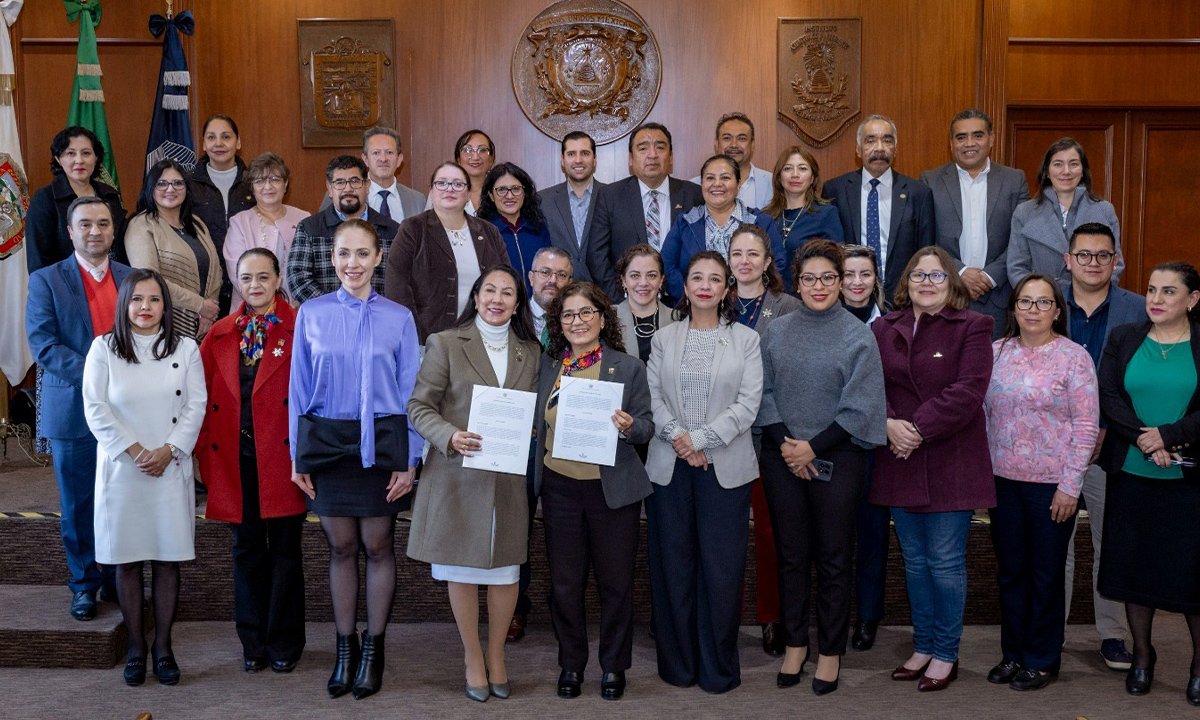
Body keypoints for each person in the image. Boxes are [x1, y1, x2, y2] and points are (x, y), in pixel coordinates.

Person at [288, 220, 422, 700]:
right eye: (344, 254)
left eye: (363, 254)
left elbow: (413, 394)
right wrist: (296, 455)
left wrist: (411, 460)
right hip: (327, 442)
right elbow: (298, 389)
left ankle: (374, 648)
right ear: (331, 258)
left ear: (378, 258)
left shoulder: (399, 317)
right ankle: (345, 648)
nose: (353, 264)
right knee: (341, 546)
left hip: (384, 442)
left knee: (378, 543)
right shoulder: (312, 312)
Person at [757, 239, 887, 695]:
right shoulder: (776, 331)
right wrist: (790, 448)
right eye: (809, 278)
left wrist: (811, 448)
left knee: (833, 559)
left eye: (828, 278)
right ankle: (796, 644)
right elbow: (763, 392)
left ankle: (829, 652)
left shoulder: (858, 335)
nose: (818, 286)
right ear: (797, 282)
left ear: (842, 283)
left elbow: (861, 406)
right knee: (791, 556)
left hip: (839, 457)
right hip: (781, 457)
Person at [406, 264, 540, 703]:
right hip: (457, 475)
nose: (497, 299)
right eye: (489, 291)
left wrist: (536, 429)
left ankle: (497, 654)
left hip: (505, 479)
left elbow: (539, 410)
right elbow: (419, 407)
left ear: (518, 303)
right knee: (461, 569)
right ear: (476, 296)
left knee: (505, 572)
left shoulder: (531, 351)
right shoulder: (445, 343)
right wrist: (450, 436)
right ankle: (472, 657)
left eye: (507, 293)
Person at [870, 246, 995, 692]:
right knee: (915, 563)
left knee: (944, 563)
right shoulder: (883, 327)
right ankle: (922, 645)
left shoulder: (975, 326)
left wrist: (914, 430)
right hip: (897, 458)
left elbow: (969, 391)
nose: (926, 282)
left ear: (951, 284)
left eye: (937, 275)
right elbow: (870, 384)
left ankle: (946, 652)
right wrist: (887, 424)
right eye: (918, 274)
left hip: (950, 461)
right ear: (906, 282)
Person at [81, 268, 206, 687]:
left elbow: (196, 406)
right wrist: (137, 452)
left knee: (168, 560)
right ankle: (136, 645)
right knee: (129, 560)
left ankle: (164, 646)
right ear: (124, 304)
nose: (146, 308)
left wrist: (167, 450)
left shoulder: (186, 347)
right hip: (124, 469)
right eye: (137, 299)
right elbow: (96, 408)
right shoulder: (104, 348)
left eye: (154, 300)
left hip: (169, 466)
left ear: (165, 306)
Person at [646, 251, 763, 693]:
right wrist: (680, 437)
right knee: (673, 567)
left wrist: (700, 440)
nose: (706, 285)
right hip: (669, 467)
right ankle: (678, 665)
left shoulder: (746, 339)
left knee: (721, 569)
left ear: (727, 288)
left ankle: (717, 669)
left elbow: (748, 405)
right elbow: (653, 396)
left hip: (724, 468)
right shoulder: (664, 338)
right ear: (684, 286)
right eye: (697, 277)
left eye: (716, 278)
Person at [532, 281, 653, 701]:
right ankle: (571, 664)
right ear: (558, 323)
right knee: (565, 584)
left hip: (611, 489)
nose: (577, 321)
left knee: (615, 583)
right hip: (559, 487)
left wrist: (628, 428)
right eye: (568, 314)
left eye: (586, 313)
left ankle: (614, 667)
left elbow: (646, 426)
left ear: (603, 318)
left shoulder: (627, 366)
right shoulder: (548, 366)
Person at [984, 274, 1098, 691]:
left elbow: (1086, 425)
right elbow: (981, 415)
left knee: (1045, 573)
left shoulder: (1074, 358)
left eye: (1042, 302)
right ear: (1013, 308)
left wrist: (1070, 485)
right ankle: (1013, 654)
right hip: (1002, 482)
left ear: (1057, 310)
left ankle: (1043, 658)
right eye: (1025, 302)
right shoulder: (995, 353)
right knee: (1011, 572)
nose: (1033, 310)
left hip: (1052, 487)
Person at [197, 248, 307, 674]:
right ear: (237, 283)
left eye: (264, 276)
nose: (255, 285)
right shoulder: (221, 333)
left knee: (284, 550)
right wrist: (204, 454)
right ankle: (252, 641)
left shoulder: (300, 329)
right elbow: (200, 396)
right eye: (247, 278)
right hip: (234, 456)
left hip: (282, 457)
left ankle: (284, 641)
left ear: (278, 279)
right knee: (245, 550)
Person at [1096, 261, 1200, 706]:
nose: (1156, 299)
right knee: (1134, 569)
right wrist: (1145, 437)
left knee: (1192, 575)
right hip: (1132, 474)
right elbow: (1108, 395)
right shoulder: (1124, 337)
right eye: (1152, 290)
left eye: (1169, 292)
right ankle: (1142, 655)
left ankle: (1199, 664)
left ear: (1192, 300)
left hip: (1188, 481)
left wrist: (1169, 435)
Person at [25, 196, 131, 621]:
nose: (94, 231)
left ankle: (114, 577)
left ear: (113, 230)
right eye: (85, 224)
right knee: (78, 502)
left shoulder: (131, 278)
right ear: (70, 231)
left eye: (103, 223)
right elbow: (44, 345)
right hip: (72, 407)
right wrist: (99, 372)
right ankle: (84, 583)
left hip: (128, 408)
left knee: (121, 498)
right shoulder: (46, 280)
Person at [1060, 222, 1143, 670]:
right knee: (1057, 544)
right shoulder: (1046, 302)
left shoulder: (1137, 308)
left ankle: (1111, 633)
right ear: (1067, 259)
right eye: (1084, 254)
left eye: (1103, 255)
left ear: (1115, 261)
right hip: (1055, 445)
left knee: (1111, 542)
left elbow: (1143, 377)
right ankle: (1050, 630)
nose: (1093, 263)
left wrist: (1108, 426)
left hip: (1115, 443)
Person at [728, 224, 800, 657]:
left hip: (772, 435)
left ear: (768, 261)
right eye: (737, 253)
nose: (745, 261)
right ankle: (725, 617)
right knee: (727, 536)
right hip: (725, 437)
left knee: (773, 536)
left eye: (754, 253)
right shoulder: (714, 300)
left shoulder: (789, 306)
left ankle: (773, 618)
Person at [510, 245, 574, 643]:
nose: (553, 281)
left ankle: (564, 611)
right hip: (518, 442)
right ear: (530, 276)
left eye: (562, 275)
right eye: (545, 272)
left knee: (564, 532)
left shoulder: (581, 320)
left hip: (566, 441)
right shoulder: (509, 317)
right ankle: (515, 608)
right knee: (517, 529)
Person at [920, 109, 1029, 336]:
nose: (969, 143)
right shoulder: (930, 181)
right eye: (961, 137)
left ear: (991, 139)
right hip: (946, 294)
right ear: (951, 143)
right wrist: (960, 271)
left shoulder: (1014, 180)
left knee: (996, 368)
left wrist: (989, 276)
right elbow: (926, 240)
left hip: (998, 298)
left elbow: (1021, 239)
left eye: (978, 135)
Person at [385, 161, 508, 343]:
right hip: (427, 339)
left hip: (481, 338)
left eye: (458, 184)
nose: (449, 189)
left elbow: (507, 281)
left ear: (468, 194)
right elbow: (397, 287)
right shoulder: (413, 229)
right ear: (432, 191)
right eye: (441, 183)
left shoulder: (489, 232)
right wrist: (414, 335)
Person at [586, 122, 703, 300]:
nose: (652, 155)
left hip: (684, 303)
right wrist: (620, 301)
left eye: (660, 147)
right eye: (643, 148)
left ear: (671, 157)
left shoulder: (693, 194)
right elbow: (597, 256)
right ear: (631, 159)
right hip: (628, 302)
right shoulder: (610, 196)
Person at [823, 114, 935, 299]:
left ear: (895, 149)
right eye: (870, 140)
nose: (880, 148)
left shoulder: (919, 193)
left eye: (887, 140)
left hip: (902, 299)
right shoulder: (835, 190)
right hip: (849, 298)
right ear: (858, 150)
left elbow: (926, 253)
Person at [840, 244, 888, 650]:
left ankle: (868, 616)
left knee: (872, 536)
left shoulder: (890, 327)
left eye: (865, 275)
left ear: (876, 280)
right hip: (832, 447)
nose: (857, 283)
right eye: (849, 274)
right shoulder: (824, 324)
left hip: (875, 447)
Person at [661, 154, 788, 299]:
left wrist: (751, 295)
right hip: (697, 310)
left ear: (738, 183)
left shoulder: (760, 222)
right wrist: (691, 296)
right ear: (702, 184)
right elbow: (666, 265)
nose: (717, 184)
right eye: (710, 178)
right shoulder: (685, 222)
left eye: (725, 178)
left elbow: (778, 263)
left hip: (749, 309)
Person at [124, 159, 221, 339]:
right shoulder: (141, 225)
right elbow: (149, 280)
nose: (170, 189)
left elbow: (216, 271)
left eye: (177, 183)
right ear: (150, 188)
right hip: (164, 326)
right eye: (162, 184)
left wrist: (209, 311)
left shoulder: (197, 224)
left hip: (205, 327)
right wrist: (200, 305)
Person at [1008, 137, 1123, 287]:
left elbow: (1115, 265)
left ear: (1083, 171)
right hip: (1042, 304)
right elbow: (1016, 269)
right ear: (1047, 172)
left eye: (1074, 164)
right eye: (1058, 164)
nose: (1066, 171)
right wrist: (1042, 296)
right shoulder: (1024, 212)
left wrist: (1091, 296)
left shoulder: (1104, 210)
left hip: (1091, 303)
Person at [286, 155, 399, 304]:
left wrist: (372, 308)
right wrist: (337, 308)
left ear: (367, 186)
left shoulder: (391, 230)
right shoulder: (309, 229)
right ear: (330, 189)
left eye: (355, 181)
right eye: (340, 182)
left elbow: (399, 280)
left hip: (377, 318)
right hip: (326, 320)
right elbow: (298, 279)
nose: (348, 189)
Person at [26, 126, 126, 272]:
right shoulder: (45, 199)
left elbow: (120, 247)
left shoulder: (109, 194)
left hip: (112, 281)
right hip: (65, 286)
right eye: (70, 153)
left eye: (86, 153)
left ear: (96, 157)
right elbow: (38, 261)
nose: (79, 160)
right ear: (58, 159)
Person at [223, 153, 310, 306]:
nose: (268, 186)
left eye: (275, 179)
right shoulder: (239, 222)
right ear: (252, 187)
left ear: (285, 184)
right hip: (251, 314)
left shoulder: (304, 218)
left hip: (297, 309)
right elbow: (238, 275)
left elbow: (310, 269)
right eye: (260, 181)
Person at [190, 114, 256, 314]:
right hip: (204, 288)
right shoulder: (188, 185)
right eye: (211, 137)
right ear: (203, 144)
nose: (218, 143)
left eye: (226, 137)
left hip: (248, 284)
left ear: (238, 142)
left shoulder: (253, 183)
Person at [538, 130, 604, 282]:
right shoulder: (542, 200)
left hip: (603, 294)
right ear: (562, 160)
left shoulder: (612, 196)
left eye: (585, 153)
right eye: (571, 154)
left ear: (594, 159)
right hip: (558, 292)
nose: (578, 160)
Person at [478, 162, 551, 292]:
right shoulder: (483, 233)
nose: (510, 196)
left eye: (516, 189)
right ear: (491, 196)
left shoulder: (539, 229)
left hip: (537, 308)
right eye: (501, 190)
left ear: (525, 193)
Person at [762, 145, 843, 262]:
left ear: (812, 178)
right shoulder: (765, 217)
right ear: (779, 177)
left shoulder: (826, 214)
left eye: (802, 169)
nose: (795, 174)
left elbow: (837, 261)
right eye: (788, 168)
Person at [690, 113, 774, 208]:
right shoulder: (694, 186)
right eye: (727, 138)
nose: (734, 145)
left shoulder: (773, 183)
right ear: (716, 144)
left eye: (741, 138)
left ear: (752, 145)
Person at [614, 243, 674, 365]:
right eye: (635, 275)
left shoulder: (677, 319)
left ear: (661, 280)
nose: (643, 283)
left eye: (651, 275)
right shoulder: (608, 318)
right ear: (624, 280)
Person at [427, 129, 495, 214]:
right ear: (458, 159)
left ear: (491, 160)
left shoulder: (501, 190)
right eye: (467, 150)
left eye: (482, 150)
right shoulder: (440, 189)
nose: (475, 157)